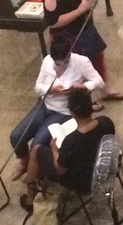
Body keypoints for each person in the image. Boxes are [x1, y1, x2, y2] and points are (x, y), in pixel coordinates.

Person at [9, 36, 103, 177]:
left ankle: (35, 172)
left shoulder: (82, 62)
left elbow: (99, 82)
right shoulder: (47, 61)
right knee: (16, 136)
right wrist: (51, 89)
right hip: (44, 105)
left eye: (63, 64)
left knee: (37, 144)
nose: (59, 68)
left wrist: (79, 87)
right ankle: (24, 161)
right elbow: (38, 87)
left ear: (69, 56)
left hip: (63, 112)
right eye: (56, 64)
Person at [40, 0, 123, 99]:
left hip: (85, 28)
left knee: (97, 58)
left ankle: (104, 89)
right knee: (77, 69)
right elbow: (53, 22)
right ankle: (84, 100)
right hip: (69, 36)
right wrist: (79, 11)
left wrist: (89, 2)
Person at [19, 88, 115, 222]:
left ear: (72, 112)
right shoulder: (106, 122)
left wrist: (54, 149)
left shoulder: (72, 140)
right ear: (91, 107)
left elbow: (60, 169)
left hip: (81, 182)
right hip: (105, 171)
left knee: (36, 149)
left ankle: (30, 200)